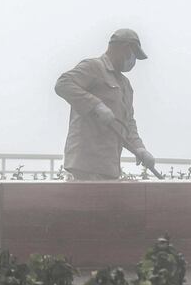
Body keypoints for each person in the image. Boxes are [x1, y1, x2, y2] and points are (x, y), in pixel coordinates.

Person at [54, 28, 156, 180]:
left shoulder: (125, 85)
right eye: (133, 55)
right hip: (85, 165)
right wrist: (96, 105)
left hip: (109, 168)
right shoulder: (94, 67)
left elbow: (127, 123)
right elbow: (63, 84)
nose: (133, 61)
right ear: (124, 48)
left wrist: (139, 149)